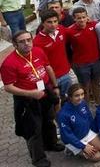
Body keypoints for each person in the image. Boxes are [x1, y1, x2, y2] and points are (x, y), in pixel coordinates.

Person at [0, 30, 64, 167]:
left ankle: (51, 143)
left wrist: (55, 86)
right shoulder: (8, 63)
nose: (27, 43)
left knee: (49, 120)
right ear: (14, 44)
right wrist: (31, 94)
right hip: (27, 100)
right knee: (33, 129)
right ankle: (38, 158)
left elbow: (47, 68)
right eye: (22, 41)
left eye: (29, 40)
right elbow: (8, 87)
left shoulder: (38, 51)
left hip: (45, 92)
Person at [57, 84, 100, 161]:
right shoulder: (63, 114)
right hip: (75, 140)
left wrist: (95, 131)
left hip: (87, 133)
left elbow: (89, 117)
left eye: (82, 94)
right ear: (70, 97)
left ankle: (89, 145)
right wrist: (83, 146)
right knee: (97, 157)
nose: (80, 97)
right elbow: (67, 135)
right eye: (77, 95)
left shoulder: (83, 103)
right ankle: (70, 149)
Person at [33, 9, 72, 98]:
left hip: (66, 73)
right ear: (43, 23)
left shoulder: (61, 29)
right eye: (49, 22)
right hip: (51, 79)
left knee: (68, 98)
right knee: (55, 102)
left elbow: (73, 31)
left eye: (55, 21)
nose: (53, 24)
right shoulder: (37, 42)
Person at [66, 7, 100, 103]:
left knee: (96, 83)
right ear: (74, 19)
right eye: (79, 18)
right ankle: (86, 105)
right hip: (81, 64)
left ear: (87, 17)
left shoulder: (94, 25)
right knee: (85, 86)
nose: (81, 20)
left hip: (96, 60)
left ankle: (98, 102)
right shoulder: (69, 31)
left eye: (83, 17)